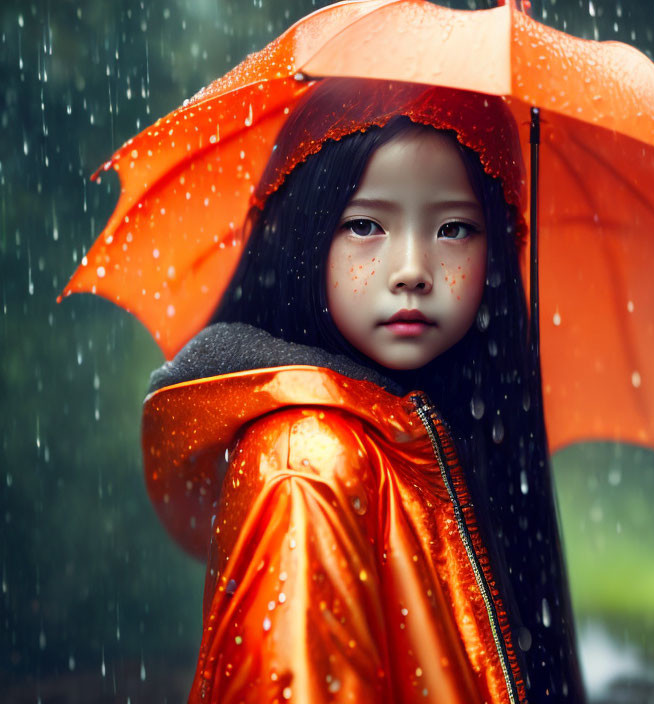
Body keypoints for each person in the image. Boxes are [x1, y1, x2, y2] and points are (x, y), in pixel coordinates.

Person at [142, 78, 584, 703]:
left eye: (455, 229)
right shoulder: (308, 465)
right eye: (366, 225)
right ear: (305, 237)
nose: (411, 271)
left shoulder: (422, 438)